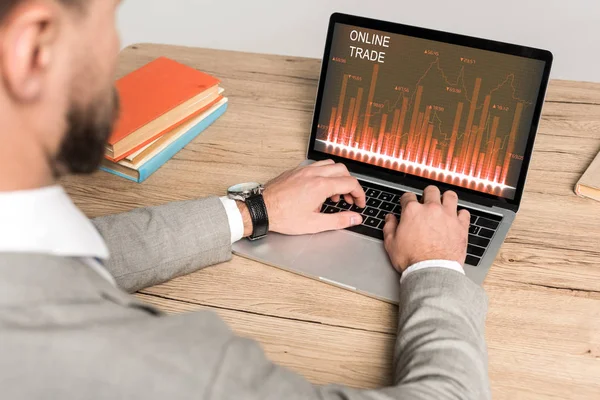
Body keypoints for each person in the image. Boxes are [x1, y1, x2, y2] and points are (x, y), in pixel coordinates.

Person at [0, 1, 490, 399]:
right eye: (108, 17)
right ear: (32, 46)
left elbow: (61, 263)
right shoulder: (160, 368)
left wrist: (252, 211)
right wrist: (435, 266)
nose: (113, 49)